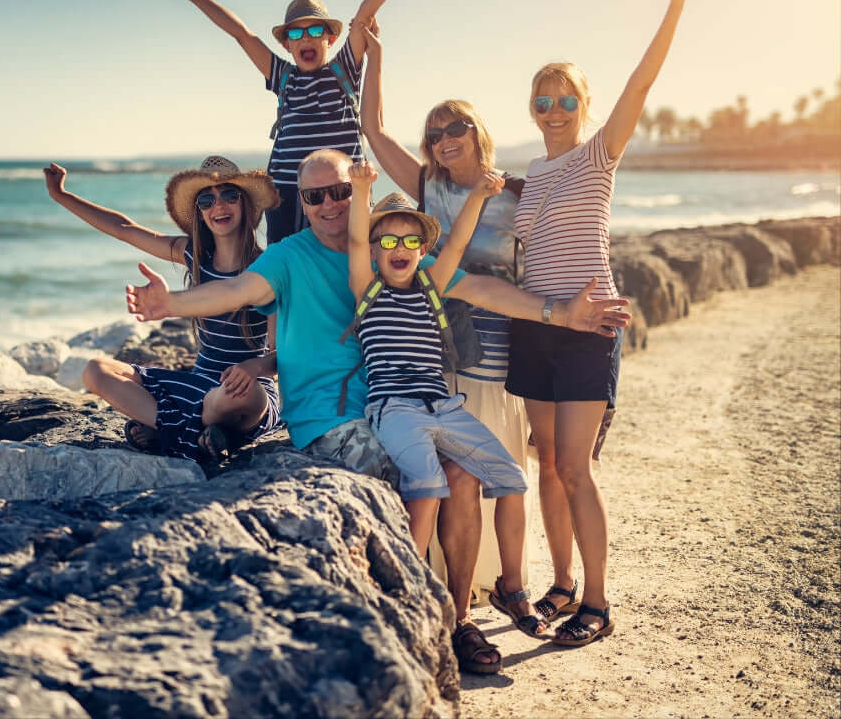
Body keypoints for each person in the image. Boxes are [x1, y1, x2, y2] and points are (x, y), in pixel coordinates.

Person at [125, 147, 631, 673]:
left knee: (461, 473)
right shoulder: (288, 256)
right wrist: (172, 304)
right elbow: (236, 290)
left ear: (356, 190)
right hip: (331, 418)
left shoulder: (392, 251)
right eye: (315, 195)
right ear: (303, 202)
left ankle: (455, 618)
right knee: (415, 477)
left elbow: (477, 287)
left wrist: (559, 312)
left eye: (341, 191)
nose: (329, 204)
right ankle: (414, 612)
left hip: (400, 406)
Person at [508, 0, 699, 647]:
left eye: (566, 100)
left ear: (583, 106)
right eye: (542, 100)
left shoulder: (598, 154)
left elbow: (643, 84)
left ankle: (598, 600)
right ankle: (559, 582)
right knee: (545, 460)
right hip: (537, 326)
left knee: (579, 468)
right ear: (531, 108)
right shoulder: (529, 168)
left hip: (589, 327)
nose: (553, 109)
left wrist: (674, 4)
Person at [358, 22, 548, 638]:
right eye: (433, 133)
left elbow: (551, 259)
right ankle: (454, 598)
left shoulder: (517, 195)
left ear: (479, 132)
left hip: (500, 348)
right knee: (459, 477)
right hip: (440, 352)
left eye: (455, 128)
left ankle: (514, 585)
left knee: (508, 474)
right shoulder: (426, 189)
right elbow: (372, 130)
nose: (443, 140)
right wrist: (376, 55)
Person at [165, 0, 424, 243]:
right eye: (296, 34)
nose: (306, 39)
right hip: (286, 194)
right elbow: (242, 35)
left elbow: (363, 17)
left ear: (329, 39)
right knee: (286, 271)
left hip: (342, 191)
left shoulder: (343, 71)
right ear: (287, 44)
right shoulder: (283, 76)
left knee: (346, 268)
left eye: (315, 30)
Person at [345, 160, 527, 576]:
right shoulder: (366, 292)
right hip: (393, 408)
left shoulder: (432, 289)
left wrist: (479, 195)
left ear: (423, 251)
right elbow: (354, 241)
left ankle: (512, 586)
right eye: (387, 242)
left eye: (410, 241)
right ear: (375, 251)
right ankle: (413, 584)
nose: (400, 249)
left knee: (511, 478)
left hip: (444, 407)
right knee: (427, 486)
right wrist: (360, 191)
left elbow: (458, 244)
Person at [44, 156, 282, 465]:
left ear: (246, 204)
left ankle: (169, 430)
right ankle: (201, 435)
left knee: (243, 397)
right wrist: (61, 195)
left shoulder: (267, 269)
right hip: (198, 384)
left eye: (230, 195)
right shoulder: (195, 256)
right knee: (95, 371)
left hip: (244, 391)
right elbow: (124, 228)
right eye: (206, 200)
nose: (218, 206)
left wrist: (253, 369)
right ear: (199, 212)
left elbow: (278, 356)